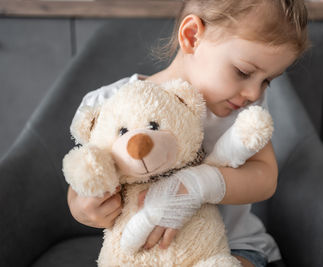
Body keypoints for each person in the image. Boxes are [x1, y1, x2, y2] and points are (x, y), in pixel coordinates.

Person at [67, 0, 309, 266]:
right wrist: (82, 208)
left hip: (232, 247)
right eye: (243, 72)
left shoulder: (243, 112)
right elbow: (85, 177)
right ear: (192, 36)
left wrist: (197, 185)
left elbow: (265, 177)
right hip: (142, 254)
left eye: (267, 81)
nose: (254, 93)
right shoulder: (112, 105)